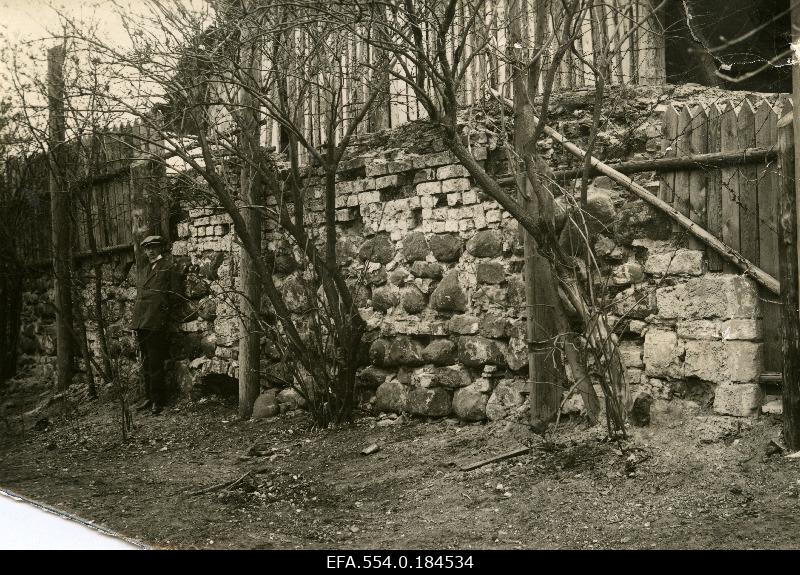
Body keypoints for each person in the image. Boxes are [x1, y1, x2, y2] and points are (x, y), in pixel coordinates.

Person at [131, 235, 179, 415]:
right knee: (145, 361)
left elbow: (173, 295)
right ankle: (149, 397)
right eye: (147, 248)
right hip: (142, 322)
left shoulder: (168, 267)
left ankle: (158, 401)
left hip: (156, 322)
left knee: (156, 362)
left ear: (160, 248)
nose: (150, 251)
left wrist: (163, 318)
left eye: (154, 247)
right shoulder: (143, 269)